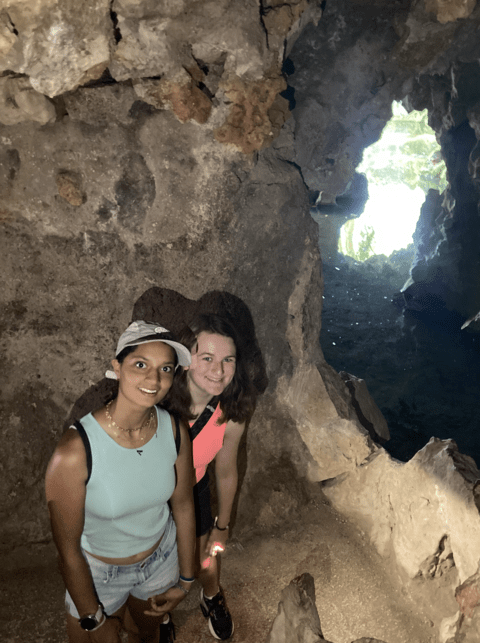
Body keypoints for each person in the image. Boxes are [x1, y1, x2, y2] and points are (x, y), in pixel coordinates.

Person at [45, 321, 196, 643]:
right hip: (99, 572)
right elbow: (67, 549)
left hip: (160, 559)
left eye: (165, 368)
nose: (154, 379)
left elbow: (183, 505)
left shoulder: (173, 429)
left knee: (147, 635)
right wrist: (94, 620)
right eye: (140, 364)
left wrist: (185, 580)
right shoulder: (74, 451)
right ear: (117, 366)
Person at [169, 313, 257, 640]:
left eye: (227, 360)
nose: (218, 371)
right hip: (152, 495)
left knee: (207, 556)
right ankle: (162, 616)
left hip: (194, 489)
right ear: (186, 358)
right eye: (207, 357)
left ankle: (211, 595)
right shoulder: (158, 398)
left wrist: (222, 527)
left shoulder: (231, 412)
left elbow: (227, 469)